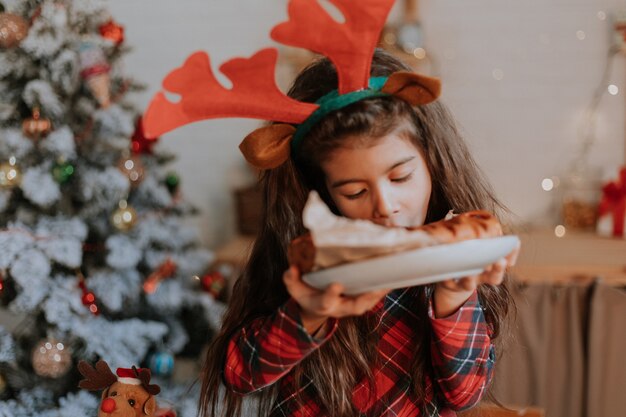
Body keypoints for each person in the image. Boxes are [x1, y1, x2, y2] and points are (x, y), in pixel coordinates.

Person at [198, 49, 518, 417]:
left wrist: (455, 294)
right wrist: (308, 312)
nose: (385, 206)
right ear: (322, 192)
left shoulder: (460, 257)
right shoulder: (306, 265)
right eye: (355, 192)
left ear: (434, 161)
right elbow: (240, 375)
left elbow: (463, 395)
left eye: (401, 177)